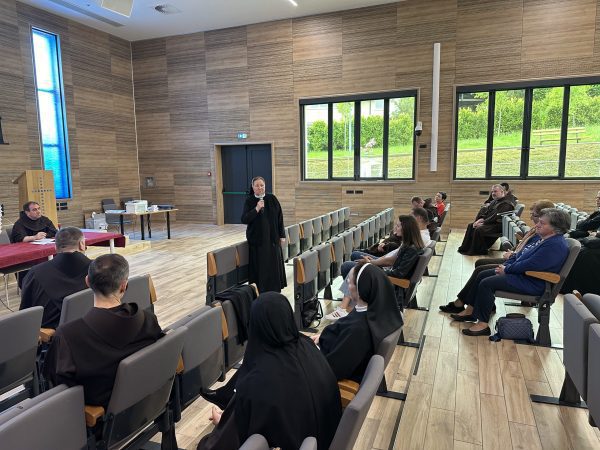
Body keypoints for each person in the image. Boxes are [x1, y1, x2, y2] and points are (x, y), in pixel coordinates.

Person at [197, 292, 341, 450]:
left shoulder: (260, 378)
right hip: (329, 440)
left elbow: (224, 444)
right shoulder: (308, 345)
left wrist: (223, 425)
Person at [43, 254, 163, 408]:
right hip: (144, 402)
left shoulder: (68, 336)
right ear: (124, 285)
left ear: (87, 282)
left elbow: (55, 382)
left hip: (96, 414)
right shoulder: (148, 320)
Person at [451, 208, 570, 336]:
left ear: (555, 228)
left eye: (542, 223)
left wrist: (507, 269)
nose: (537, 225)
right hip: (525, 276)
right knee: (483, 274)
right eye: (539, 221)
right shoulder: (545, 239)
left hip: (535, 283)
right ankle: (471, 310)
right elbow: (520, 255)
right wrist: (506, 266)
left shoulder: (554, 245)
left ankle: (482, 325)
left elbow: (530, 264)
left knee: (487, 283)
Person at [439, 200, 554, 314]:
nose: (531, 218)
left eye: (534, 215)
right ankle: (484, 302)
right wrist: (513, 254)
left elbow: (529, 258)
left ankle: (464, 303)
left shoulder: (543, 236)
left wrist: (511, 258)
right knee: (480, 264)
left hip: (521, 270)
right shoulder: (538, 232)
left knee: (482, 271)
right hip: (516, 262)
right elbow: (526, 250)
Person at [313, 262, 403, 381]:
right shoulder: (377, 311)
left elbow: (333, 370)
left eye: (349, 282)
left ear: (360, 288)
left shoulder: (358, 329)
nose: (347, 285)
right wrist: (324, 337)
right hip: (326, 347)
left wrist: (311, 351)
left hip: (322, 369)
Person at [326, 215, 424, 320]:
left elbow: (399, 274)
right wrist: (372, 265)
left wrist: (373, 268)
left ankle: (343, 308)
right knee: (358, 268)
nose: (395, 228)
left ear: (406, 228)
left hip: (393, 286)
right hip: (390, 279)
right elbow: (393, 263)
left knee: (356, 270)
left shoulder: (411, 249)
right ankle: (347, 306)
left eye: (398, 226)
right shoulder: (409, 246)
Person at [20, 227, 91, 328]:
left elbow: (26, 311)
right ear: (82, 244)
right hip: (91, 327)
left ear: (56, 248)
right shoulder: (98, 269)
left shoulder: (36, 273)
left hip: (54, 333)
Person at [241, 176, 286, 293]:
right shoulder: (249, 201)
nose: (260, 188)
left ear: (265, 186)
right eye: (257, 185)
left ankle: (274, 290)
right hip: (258, 241)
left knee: (273, 266)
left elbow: (280, 217)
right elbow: (244, 219)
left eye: (262, 185)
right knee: (261, 267)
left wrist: (282, 235)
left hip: (272, 239)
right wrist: (256, 208)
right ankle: (260, 291)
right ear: (253, 187)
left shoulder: (272, 198)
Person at [457, 184, 514, 256]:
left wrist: (483, 223)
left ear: (502, 191)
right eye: (492, 191)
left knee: (478, 229)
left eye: (495, 191)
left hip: (498, 225)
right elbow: (487, 213)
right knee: (471, 225)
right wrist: (480, 220)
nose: (493, 193)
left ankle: (478, 250)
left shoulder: (506, 204)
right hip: (491, 223)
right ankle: (466, 248)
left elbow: (495, 217)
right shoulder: (494, 201)